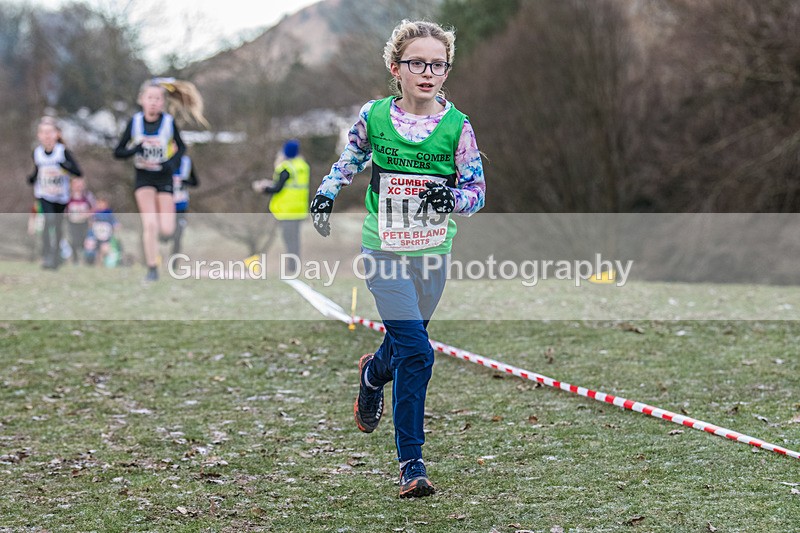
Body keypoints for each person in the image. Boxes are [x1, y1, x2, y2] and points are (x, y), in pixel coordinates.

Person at [309, 20, 486, 498]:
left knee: (407, 346)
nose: (428, 73)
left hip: (433, 252)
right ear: (396, 68)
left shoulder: (458, 127)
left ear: (446, 71)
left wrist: (452, 198)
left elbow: (477, 192)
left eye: (438, 65)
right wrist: (326, 193)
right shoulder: (374, 117)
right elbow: (350, 158)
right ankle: (412, 463)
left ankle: (372, 373)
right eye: (417, 63)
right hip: (382, 249)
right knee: (419, 352)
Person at [113, 77, 206, 281]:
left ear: (163, 102)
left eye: (157, 99)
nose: (153, 102)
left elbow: (182, 148)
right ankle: (152, 268)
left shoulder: (168, 123)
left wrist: (171, 163)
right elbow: (118, 152)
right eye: (150, 98)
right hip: (143, 178)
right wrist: (134, 149)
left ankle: (165, 237)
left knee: (167, 228)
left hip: (164, 178)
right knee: (150, 225)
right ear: (141, 100)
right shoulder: (135, 123)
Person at [26, 116, 83, 269]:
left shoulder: (62, 152)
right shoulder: (37, 153)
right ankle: (47, 255)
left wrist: (64, 165)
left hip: (61, 196)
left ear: (57, 134)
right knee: (49, 220)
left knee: (57, 225)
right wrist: (32, 178)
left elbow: (78, 172)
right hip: (44, 195)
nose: (47, 136)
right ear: (39, 135)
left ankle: (56, 256)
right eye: (43, 132)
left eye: (50, 132)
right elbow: (37, 170)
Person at [252, 139, 310, 273]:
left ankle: (292, 267)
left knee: (288, 240)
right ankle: (294, 266)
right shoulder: (302, 166)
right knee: (295, 239)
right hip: (299, 209)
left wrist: (262, 188)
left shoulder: (286, 168)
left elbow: (277, 188)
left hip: (287, 210)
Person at [172, 154, 199, 255]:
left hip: (181, 204)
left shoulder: (186, 162)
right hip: (164, 204)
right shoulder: (162, 158)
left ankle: (174, 260)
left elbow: (195, 182)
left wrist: (183, 181)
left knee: (178, 234)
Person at [65, 177, 96, 265]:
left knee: (84, 241)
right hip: (72, 222)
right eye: (76, 184)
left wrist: (88, 214)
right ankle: (75, 259)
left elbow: (94, 208)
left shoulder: (88, 195)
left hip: (84, 223)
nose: (79, 186)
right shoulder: (68, 195)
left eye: (81, 184)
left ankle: (85, 260)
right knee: (74, 240)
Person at [84, 195, 119, 267]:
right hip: (94, 235)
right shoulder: (94, 213)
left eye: (102, 203)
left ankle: (102, 262)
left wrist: (116, 225)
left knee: (105, 249)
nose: (100, 205)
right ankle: (94, 262)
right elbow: (88, 218)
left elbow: (114, 222)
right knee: (92, 248)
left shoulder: (109, 214)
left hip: (105, 236)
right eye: (98, 203)